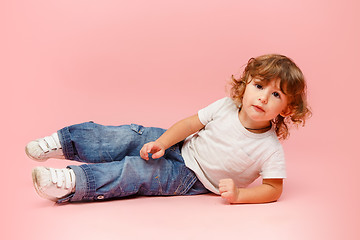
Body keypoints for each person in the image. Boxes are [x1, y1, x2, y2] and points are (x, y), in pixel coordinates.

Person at [26, 54, 311, 204]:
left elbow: (273, 189)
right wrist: (162, 142)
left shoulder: (269, 149)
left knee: (136, 171)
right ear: (246, 84)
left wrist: (240, 195)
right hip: (181, 145)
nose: (263, 97)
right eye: (259, 86)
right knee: (131, 135)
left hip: (191, 177)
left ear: (286, 109)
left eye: (276, 95)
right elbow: (190, 124)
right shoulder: (225, 106)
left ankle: (71, 183)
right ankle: (66, 142)